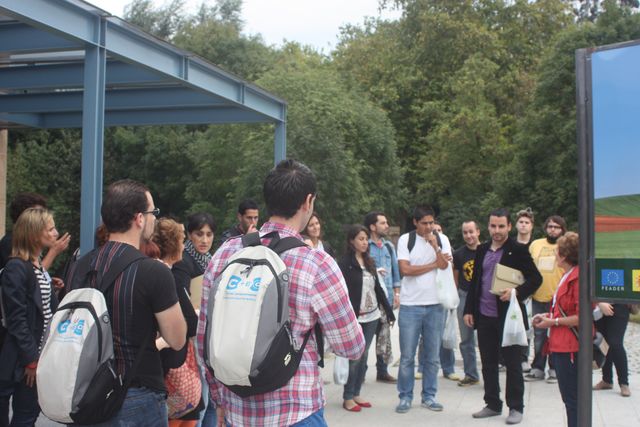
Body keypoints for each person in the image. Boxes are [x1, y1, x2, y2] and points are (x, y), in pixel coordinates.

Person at [197, 159, 365, 426]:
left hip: (237, 413)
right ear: (308, 202)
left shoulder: (225, 254)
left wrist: (219, 400)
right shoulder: (317, 263)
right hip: (296, 412)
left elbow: (204, 340)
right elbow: (351, 346)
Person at [67, 179, 187, 426]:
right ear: (139, 218)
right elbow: (177, 338)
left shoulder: (80, 266)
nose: (155, 218)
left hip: (86, 393)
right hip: (136, 395)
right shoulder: (153, 272)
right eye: (153, 212)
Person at [463, 208, 542, 425]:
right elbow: (475, 282)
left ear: (509, 226)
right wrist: (469, 310)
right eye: (493, 226)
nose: (496, 231)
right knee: (488, 362)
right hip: (484, 315)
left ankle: (516, 407)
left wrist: (516, 292)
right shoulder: (482, 249)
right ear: (488, 226)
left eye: (501, 226)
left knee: (513, 363)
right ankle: (492, 403)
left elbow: (536, 279)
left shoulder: (517, 250)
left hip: (509, 317)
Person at [0, 208, 60, 426]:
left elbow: (41, 309)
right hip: (23, 358)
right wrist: (31, 360)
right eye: (50, 229)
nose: (56, 233)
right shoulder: (17, 267)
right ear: (35, 234)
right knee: (24, 415)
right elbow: (18, 319)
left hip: (34, 354)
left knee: (29, 413)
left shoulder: (36, 266)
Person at [395, 206, 451, 414]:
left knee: (432, 356)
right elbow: (405, 270)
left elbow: (445, 265)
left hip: (435, 304)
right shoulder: (405, 240)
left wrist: (436, 247)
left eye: (431, 222)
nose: (429, 227)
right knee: (408, 355)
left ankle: (429, 396)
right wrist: (433, 265)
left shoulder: (442, 239)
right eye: (425, 223)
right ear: (415, 222)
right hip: (411, 305)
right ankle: (405, 396)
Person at [152, 218, 203, 427]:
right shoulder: (167, 276)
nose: (184, 246)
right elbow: (190, 323)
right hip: (169, 366)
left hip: (165, 364)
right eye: (182, 241)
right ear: (173, 245)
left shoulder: (152, 271)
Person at [338, 225, 395, 412]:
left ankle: (356, 393)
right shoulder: (345, 263)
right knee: (355, 357)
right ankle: (347, 397)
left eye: (365, 239)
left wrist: (389, 311)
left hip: (372, 317)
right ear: (351, 241)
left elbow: (377, 288)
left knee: (364, 356)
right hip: (355, 318)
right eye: (360, 239)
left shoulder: (369, 261)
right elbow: (341, 292)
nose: (364, 242)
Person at [171, 212, 216, 426]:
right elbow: (181, 303)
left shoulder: (211, 260)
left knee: (209, 402)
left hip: (206, 337)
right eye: (199, 234)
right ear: (190, 235)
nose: (205, 240)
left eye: (209, 234)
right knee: (198, 403)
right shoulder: (183, 262)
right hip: (190, 341)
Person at [532, 232, 580, 427]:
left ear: (563, 255)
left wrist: (552, 322)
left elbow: (580, 317)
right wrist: (548, 317)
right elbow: (563, 310)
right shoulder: (568, 275)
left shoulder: (576, 278)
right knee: (569, 397)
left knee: (572, 398)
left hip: (569, 346)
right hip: (561, 343)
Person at [525, 215, 566, 383]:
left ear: (562, 230)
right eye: (550, 226)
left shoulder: (565, 246)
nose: (553, 230)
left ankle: (555, 368)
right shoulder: (536, 244)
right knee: (539, 333)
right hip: (538, 295)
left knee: (556, 333)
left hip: (558, 297)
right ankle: (538, 367)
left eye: (556, 227)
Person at [364, 211, 400, 385]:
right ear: (372, 226)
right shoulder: (365, 246)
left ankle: (382, 371)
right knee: (366, 336)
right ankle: (359, 371)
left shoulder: (388, 247)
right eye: (383, 223)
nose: (386, 226)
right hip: (369, 300)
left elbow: (395, 272)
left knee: (384, 335)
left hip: (387, 299)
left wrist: (397, 293)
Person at [0, 192, 70, 271]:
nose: (42, 216)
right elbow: (23, 275)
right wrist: (54, 251)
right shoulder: (11, 242)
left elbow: (29, 277)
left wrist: (46, 280)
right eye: (37, 213)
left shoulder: (28, 244)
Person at [452, 220, 481, 386]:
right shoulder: (459, 254)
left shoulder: (486, 251)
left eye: (471, 231)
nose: (469, 235)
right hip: (464, 295)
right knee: (466, 338)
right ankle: (471, 374)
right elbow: (456, 276)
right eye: (465, 232)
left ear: (478, 231)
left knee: (485, 338)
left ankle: (489, 373)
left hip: (483, 297)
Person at [594, 303, 632, 397]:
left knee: (615, 343)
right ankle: (607, 380)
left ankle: (624, 383)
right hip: (599, 307)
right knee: (604, 342)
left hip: (619, 304)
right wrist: (599, 303)